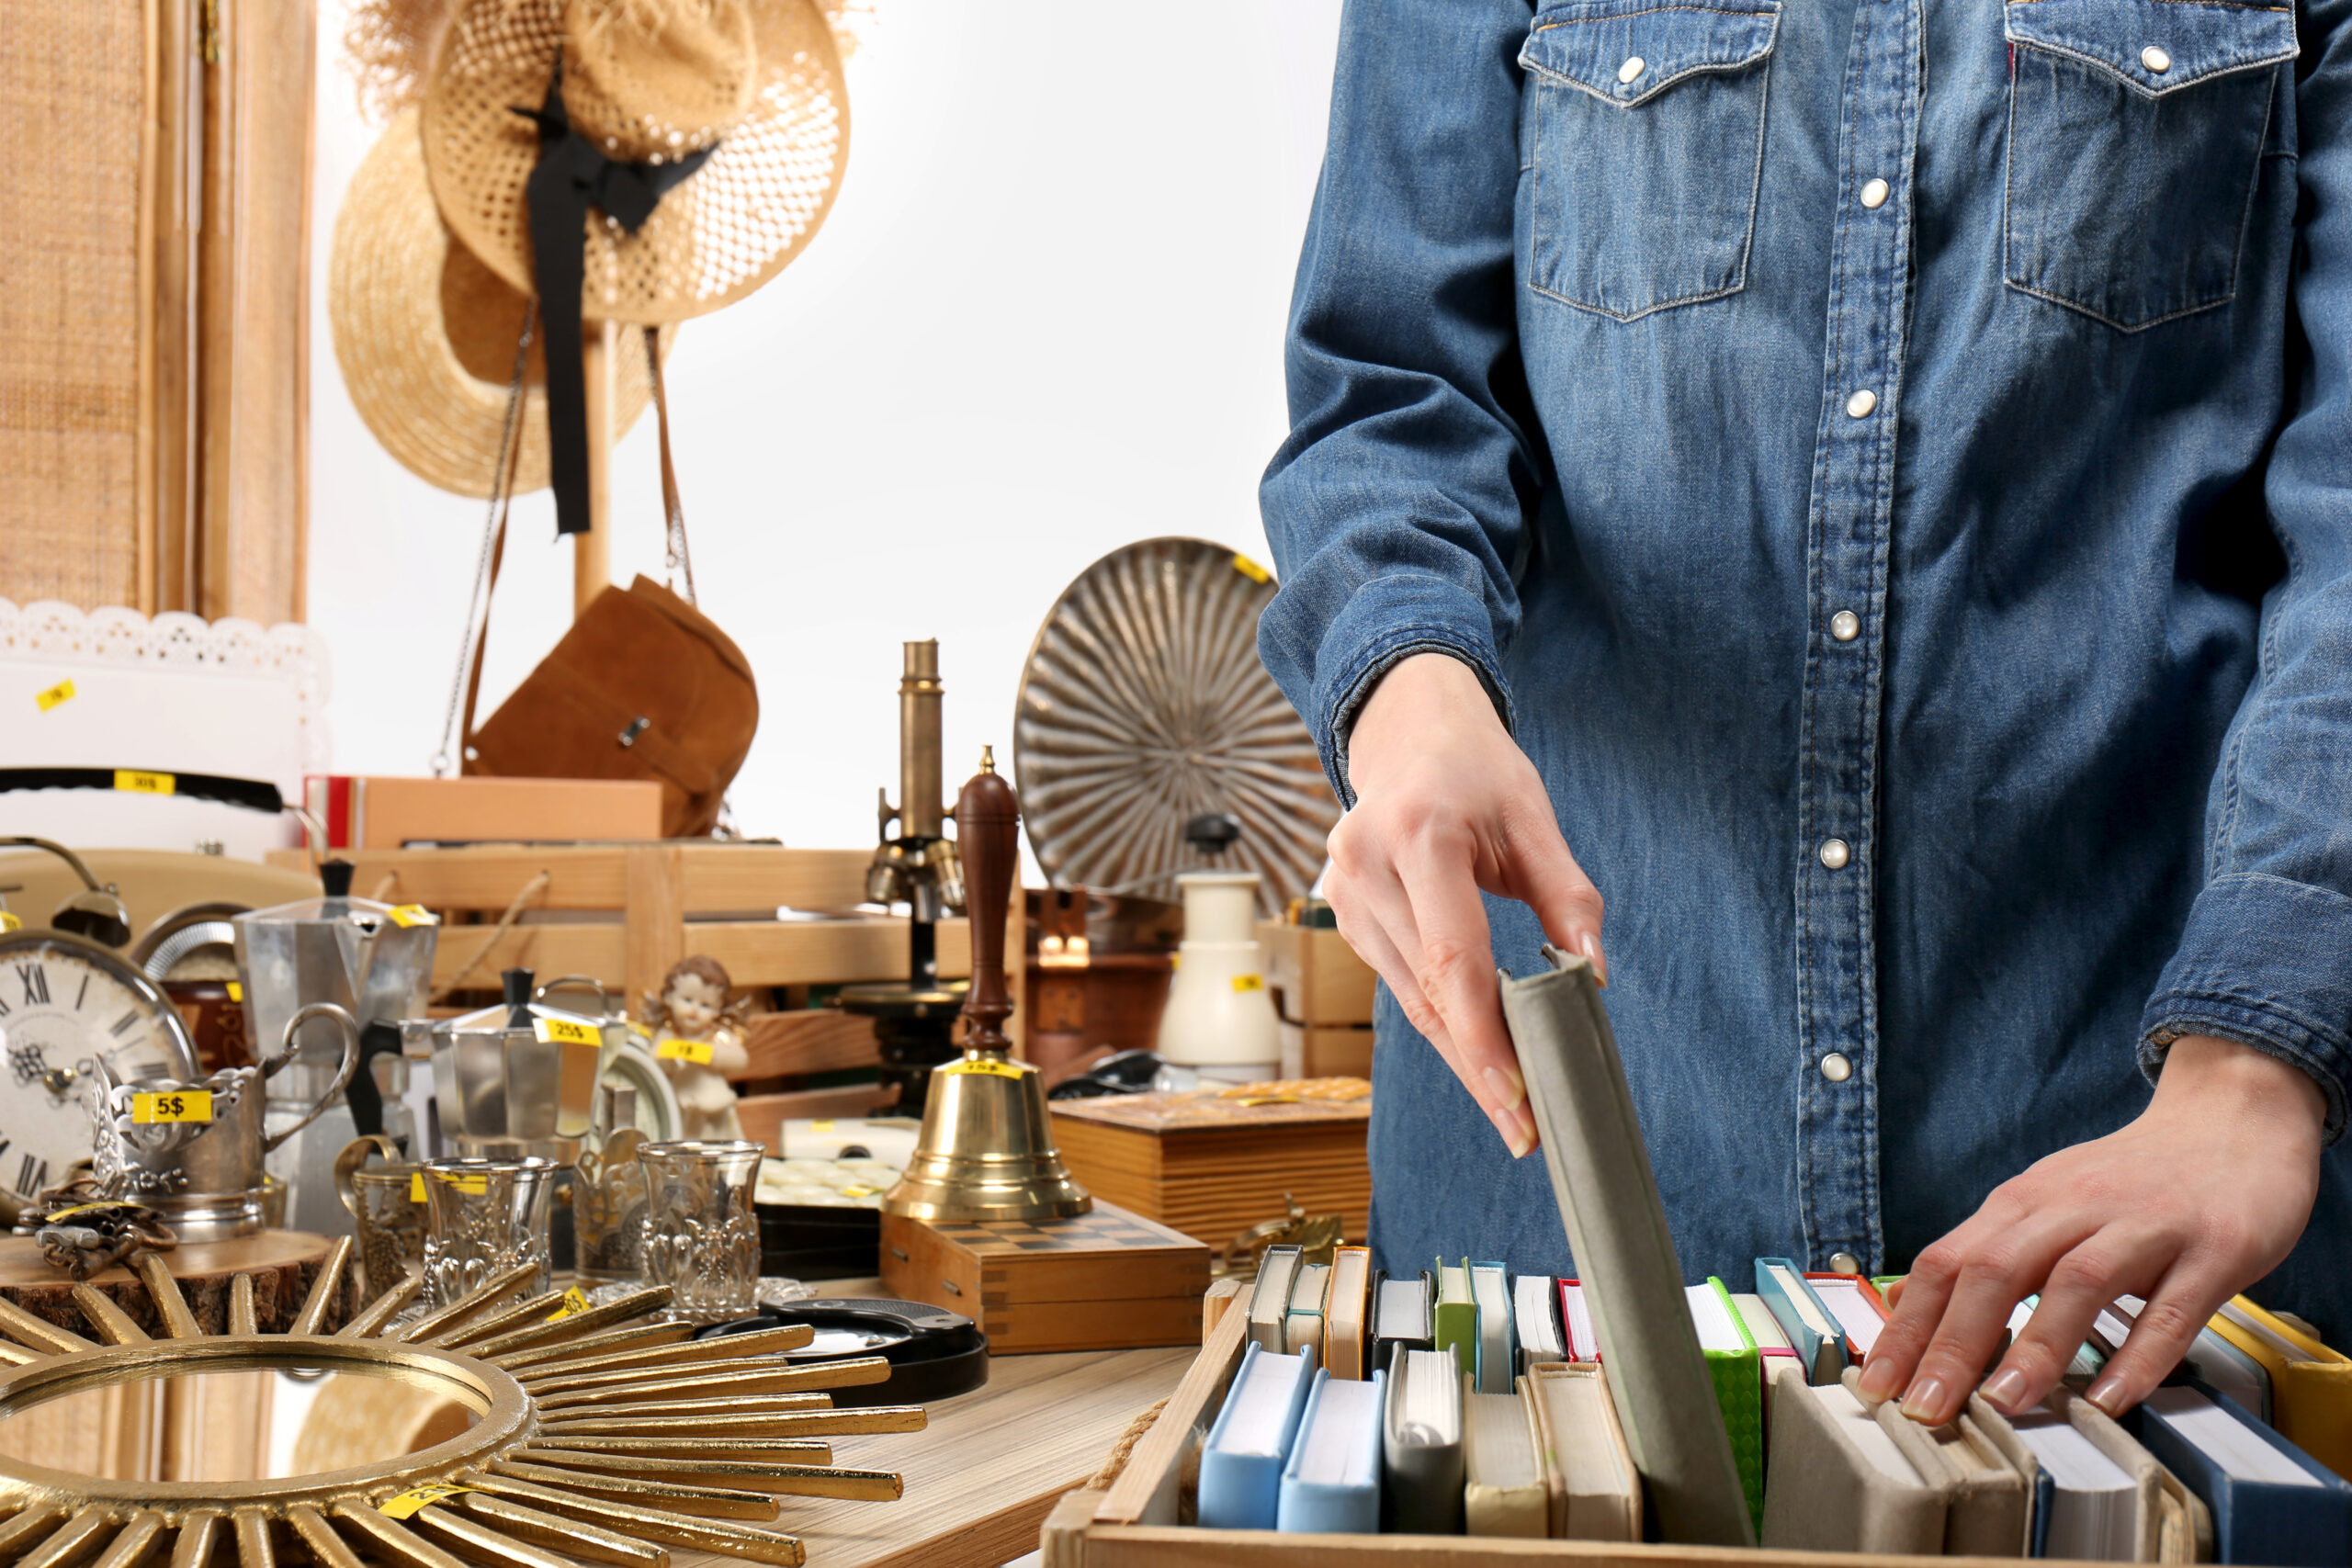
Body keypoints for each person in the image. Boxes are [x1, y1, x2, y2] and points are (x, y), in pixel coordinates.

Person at [1257, 0, 2351, 1427]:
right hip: (1563, 1215)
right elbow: (1388, 397)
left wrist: (2253, 1066)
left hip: (2138, 1194)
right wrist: (1409, 694)